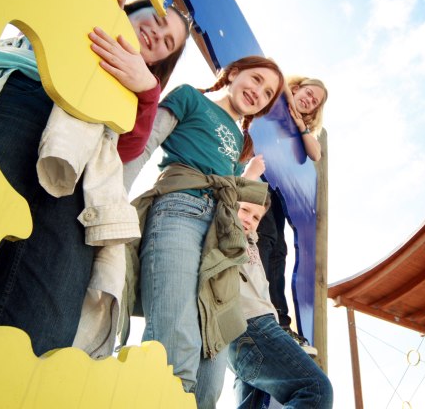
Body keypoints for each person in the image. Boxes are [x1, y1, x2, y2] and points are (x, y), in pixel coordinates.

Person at [0, 0, 191, 356]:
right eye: (154, 18)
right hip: (25, 93)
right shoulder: (87, 9)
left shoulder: (140, 91)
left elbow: (127, 150)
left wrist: (147, 92)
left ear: (159, 61)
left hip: (88, 163)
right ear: (133, 8)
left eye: (167, 42)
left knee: (50, 309)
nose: (156, 34)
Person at [127, 55, 285, 408]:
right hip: (179, 211)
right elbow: (146, 141)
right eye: (256, 79)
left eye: (268, 92)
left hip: (218, 236)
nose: (259, 92)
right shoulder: (189, 97)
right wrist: (111, 195)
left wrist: (247, 176)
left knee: (212, 368)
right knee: (176, 350)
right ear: (232, 74)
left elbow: (230, 196)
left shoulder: (239, 140)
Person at [228, 198, 333, 409]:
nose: (249, 220)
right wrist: (254, 173)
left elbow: (274, 249)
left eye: (256, 217)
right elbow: (227, 203)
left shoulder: (251, 242)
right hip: (251, 325)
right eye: (245, 210)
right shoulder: (227, 231)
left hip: (246, 333)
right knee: (315, 390)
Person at [255, 76, 328, 354]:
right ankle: (263, 310)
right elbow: (275, 69)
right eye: (308, 93)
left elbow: (317, 153)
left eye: (315, 101)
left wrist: (300, 124)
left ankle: (280, 319)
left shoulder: (299, 130)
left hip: (278, 192)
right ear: (296, 88)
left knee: (280, 250)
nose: (309, 100)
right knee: (265, 237)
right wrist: (290, 99)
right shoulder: (276, 101)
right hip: (257, 177)